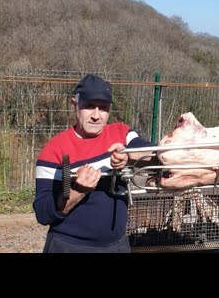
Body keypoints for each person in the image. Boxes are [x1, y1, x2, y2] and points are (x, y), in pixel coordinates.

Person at [33, 74, 152, 253]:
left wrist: (129, 155)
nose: (96, 116)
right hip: (69, 246)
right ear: (75, 105)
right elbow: (43, 213)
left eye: (103, 108)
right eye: (89, 106)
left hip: (118, 246)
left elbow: (154, 153)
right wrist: (76, 192)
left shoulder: (122, 133)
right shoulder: (54, 150)